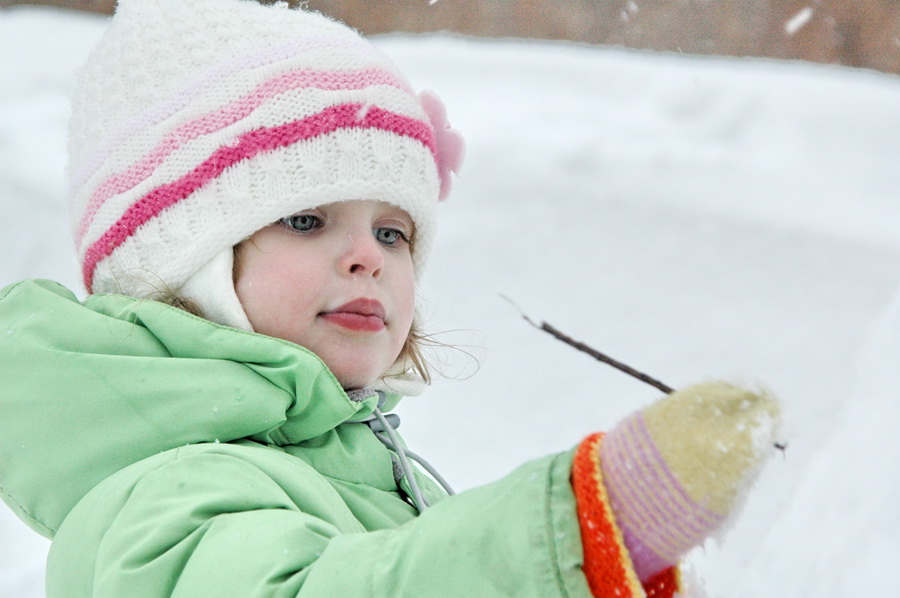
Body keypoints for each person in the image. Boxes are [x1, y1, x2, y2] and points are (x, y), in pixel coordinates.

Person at [0, 1, 780, 596]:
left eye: (394, 233)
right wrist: (574, 534)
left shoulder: (366, 473)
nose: (366, 258)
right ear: (178, 265)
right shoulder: (166, 492)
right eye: (307, 220)